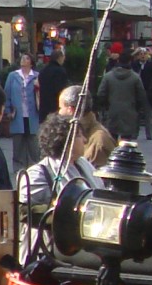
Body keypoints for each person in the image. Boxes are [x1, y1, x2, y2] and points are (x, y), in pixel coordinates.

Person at [17, 114, 97, 266]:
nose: (85, 140)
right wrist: (62, 211)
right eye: (80, 136)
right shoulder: (38, 172)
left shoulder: (83, 165)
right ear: (67, 142)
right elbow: (26, 212)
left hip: (84, 249)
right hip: (49, 253)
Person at [95, 54, 149, 141]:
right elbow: (141, 95)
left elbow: (101, 94)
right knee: (126, 140)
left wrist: (106, 106)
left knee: (111, 139)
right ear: (130, 62)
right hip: (130, 111)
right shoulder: (135, 77)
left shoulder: (108, 76)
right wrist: (137, 108)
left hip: (112, 111)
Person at [4, 53, 42, 171]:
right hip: (17, 115)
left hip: (32, 115)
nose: (23, 60)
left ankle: (34, 168)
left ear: (31, 62)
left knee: (33, 145)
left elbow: (42, 95)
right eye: (22, 58)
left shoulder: (36, 76)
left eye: (26, 58)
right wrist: (7, 110)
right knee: (18, 144)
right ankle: (18, 169)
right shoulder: (12, 76)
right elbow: (7, 94)